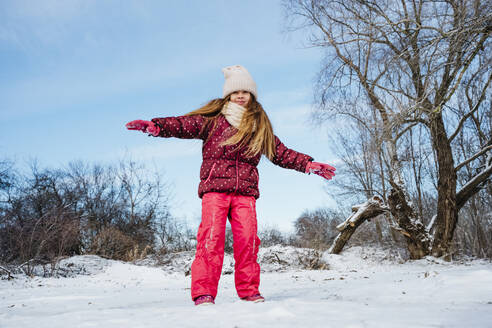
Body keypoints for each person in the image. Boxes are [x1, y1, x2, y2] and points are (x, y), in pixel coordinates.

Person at [126, 65, 335, 306]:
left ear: (252, 96)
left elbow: (280, 152)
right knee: (211, 239)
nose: (240, 96)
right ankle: (204, 292)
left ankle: (248, 290)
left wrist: (307, 164)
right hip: (215, 189)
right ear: (228, 95)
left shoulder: (259, 125)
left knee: (247, 241)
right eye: (235, 92)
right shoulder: (213, 120)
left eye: (245, 92)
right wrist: (158, 127)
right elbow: (185, 124)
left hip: (245, 192)